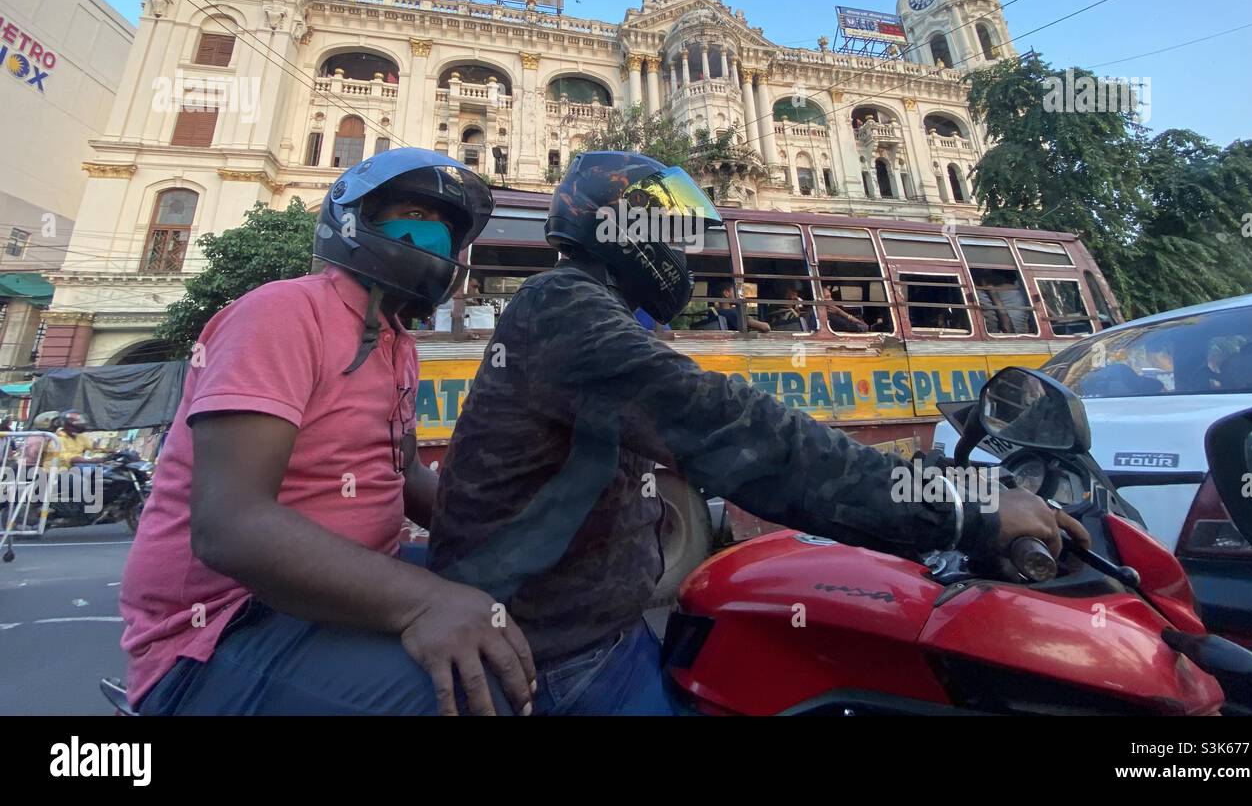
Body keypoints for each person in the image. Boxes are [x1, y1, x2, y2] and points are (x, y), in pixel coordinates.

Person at [427, 152, 1088, 716]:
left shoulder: (579, 308)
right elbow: (747, 435)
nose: (680, 255)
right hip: (564, 656)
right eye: (671, 235)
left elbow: (736, 423)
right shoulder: (565, 310)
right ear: (625, 232)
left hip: (590, 629)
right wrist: (966, 508)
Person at [118, 149, 535, 717]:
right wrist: (426, 602)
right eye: (414, 212)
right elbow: (231, 526)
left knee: (527, 610)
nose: (432, 236)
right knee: (473, 693)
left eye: (446, 227)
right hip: (226, 622)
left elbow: (402, 470)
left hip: (340, 586)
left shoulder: (398, 343)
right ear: (351, 221)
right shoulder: (284, 312)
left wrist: (510, 537)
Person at [697, 280, 770, 332]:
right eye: (736, 291)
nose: (739, 295)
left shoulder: (716, 313)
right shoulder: (731, 313)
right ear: (726, 293)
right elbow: (766, 327)